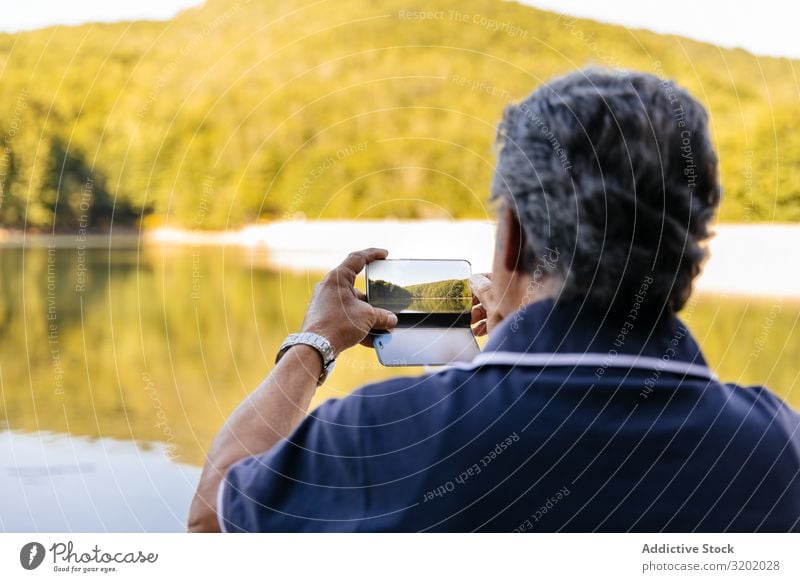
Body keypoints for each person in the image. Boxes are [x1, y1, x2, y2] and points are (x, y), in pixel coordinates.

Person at [188, 69, 800, 532]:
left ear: (515, 239)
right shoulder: (777, 447)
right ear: (689, 250)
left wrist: (313, 345)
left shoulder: (380, 437)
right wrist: (485, 365)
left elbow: (211, 520)